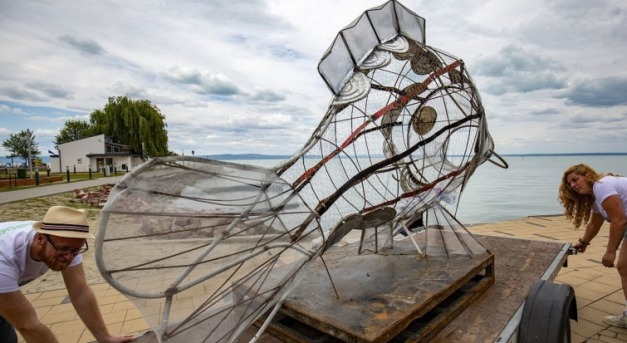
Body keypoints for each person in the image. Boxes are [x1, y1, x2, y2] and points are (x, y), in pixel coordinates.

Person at [0, 206, 135, 343]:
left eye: (76, 251)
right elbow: (28, 326)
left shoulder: (65, 240)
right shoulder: (5, 258)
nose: (68, 258)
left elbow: (80, 292)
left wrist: (105, 337)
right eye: (63, 250)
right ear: (40, 239)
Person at [559, 163, 627, 328]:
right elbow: (595, 223)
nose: (573, 185)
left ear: (587, 175)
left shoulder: (601, 186)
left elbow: (619, 220)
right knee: (624, 267)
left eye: (576, 179)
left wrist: (610, 251)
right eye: (570, 184)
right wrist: (583, 242)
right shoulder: (596, 197)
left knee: (624, 266)